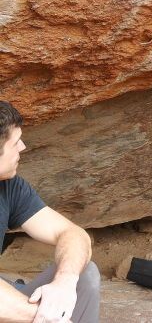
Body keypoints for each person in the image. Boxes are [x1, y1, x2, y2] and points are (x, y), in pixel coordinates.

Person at [0, 101, 100, 323]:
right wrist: (49, 316)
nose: (23, 147)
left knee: (84, 274)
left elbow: (73, 234)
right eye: (15, 143)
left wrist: (64, 281)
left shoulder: (9, 186)